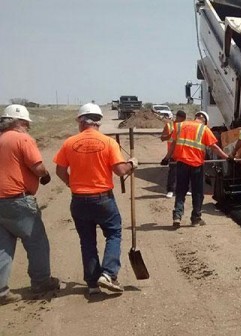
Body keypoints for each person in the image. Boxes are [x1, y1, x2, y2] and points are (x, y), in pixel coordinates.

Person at [54, 103, 138, 295]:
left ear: (81, 122)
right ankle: (108, 274)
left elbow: (60, 170)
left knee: (87, 241)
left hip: (79, 199)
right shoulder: (108, 143)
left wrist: (72, 184)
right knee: (114, 234)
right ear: (98, 122)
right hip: (103, 199)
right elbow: (120, 170)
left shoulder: (69, 143)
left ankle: (92, 283)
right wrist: (132, 164)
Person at [0, 105, 61, 305]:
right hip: (18, 200)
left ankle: (1, 291)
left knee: (3, 247)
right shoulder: (22, 139)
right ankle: (41, 282)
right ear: (20, 123)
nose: (28, 128)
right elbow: (37, 166)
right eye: (26, 124)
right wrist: (44, 175)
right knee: (37, 242)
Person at [163, 111, 229, 228]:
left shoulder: (180, 125)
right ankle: (196, 219)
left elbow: (173, 144)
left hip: (181, 163)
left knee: (180, 191)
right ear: (205, 121)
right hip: (196, 165)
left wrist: (166, 158)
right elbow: (214, 147)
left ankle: (177, 217)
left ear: (196, 117)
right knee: (197, 192)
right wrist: (227, 157)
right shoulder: (204, 129)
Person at [160, 110, 187, 198]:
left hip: (184, 154)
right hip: (173, 154)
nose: (182, 121)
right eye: (181, 119)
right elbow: (162, 138)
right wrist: (170, 135)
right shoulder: (169, 125)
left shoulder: (185, 126)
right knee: (173, 172)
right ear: (177, 117)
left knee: (185, 173)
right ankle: (170, 190)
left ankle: (184, 189)